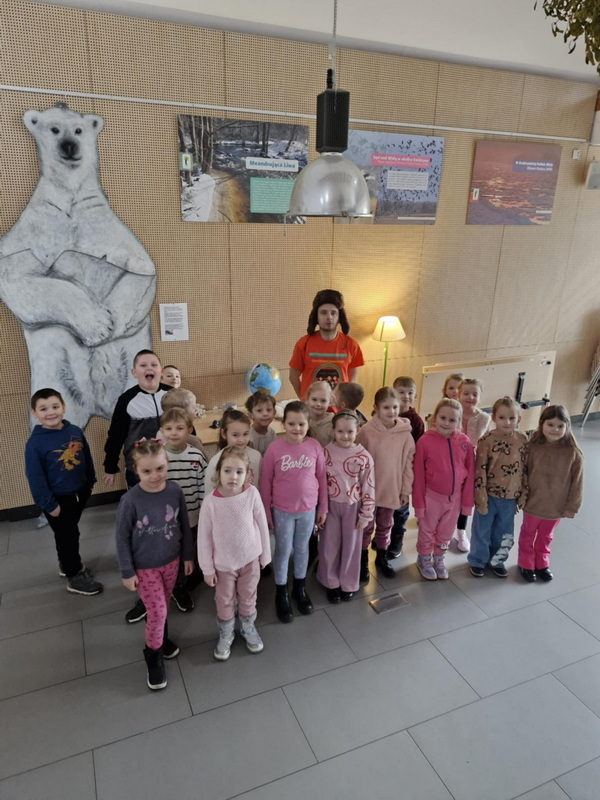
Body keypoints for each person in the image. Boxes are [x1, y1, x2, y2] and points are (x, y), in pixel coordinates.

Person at [114, 439, 194, 690]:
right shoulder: (130, 500)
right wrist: (127, 571)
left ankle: (161, 639)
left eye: (160, 468)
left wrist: (188, 556)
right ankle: (153, 657)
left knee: (163, 607)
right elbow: (121, 537)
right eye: (146, 471)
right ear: (136, 470)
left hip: (171, 562)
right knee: (157, 612)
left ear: (167, 464)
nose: (154, 476)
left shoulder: (175, 491)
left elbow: (184, 526)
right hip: (144, 567)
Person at [104, 349, 169, 624]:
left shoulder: (171, 395)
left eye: (153, 364)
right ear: (134, 372)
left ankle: (174, 581)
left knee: (169, 524)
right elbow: (115, 434)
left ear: (161, 370)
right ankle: (145, 592)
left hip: (168, 471)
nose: (148, 368)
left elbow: (187, 427)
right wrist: (110, 464)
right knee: (143, 527)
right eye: (143, 365)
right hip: (138, 474)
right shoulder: (127, 400)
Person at [25, 388, 103, 596]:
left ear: (64, 407)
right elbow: (35, 478)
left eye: (55, 406)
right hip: (57, 500)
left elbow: (86, 456)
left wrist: (90, 482)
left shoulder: (74, 430)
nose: (50, 412)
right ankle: (74, 575)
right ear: (34, 413)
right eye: (43, 409)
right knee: (68, 536)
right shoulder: (35, 443)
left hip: (79, 492)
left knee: (66, 533)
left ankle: (67, 564)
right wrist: (49, 505)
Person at [198, 447, 271, 661]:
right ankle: (227, 632)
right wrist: (207, 568)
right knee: (224, 599)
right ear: (219, 472)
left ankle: (248, 627)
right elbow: (204, 537)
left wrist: (265, 555)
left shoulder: (252, 494)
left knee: (248, 596)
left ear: (247, 474)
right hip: (223, 564)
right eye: (228, 471)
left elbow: (261, 524)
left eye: (239, 472)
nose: (233, 476)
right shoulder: (211, 502)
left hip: (250, 559)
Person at [260, 401, 328, 623]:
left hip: (308, 510)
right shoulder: (274, 449)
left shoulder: (315, 446)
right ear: (283, 424)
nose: (296, 428)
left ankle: (299, 588)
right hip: (282, 511)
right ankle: (281, 592)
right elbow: (265, 482)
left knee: (302, 549)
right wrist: (266, 513)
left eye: (301, 424)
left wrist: (323, 506)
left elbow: (322, 478)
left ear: (308, 424)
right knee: (282, 550)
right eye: (291, 424)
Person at [517, 405, 583, 583]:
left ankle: (542, 562)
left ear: (567, 426)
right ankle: (525, 562)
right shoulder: (531, 448)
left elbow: (577, 483)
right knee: (528, 533)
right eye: (551, 424)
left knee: (546, 537)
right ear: (541, 424)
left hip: (556, 506)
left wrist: (572, 506)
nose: (555, 430)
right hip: (533, 503)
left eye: (560, 426)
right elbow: (523, 474)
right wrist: (521, 496)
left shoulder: (573, 453)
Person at [356, 387, 415, 581]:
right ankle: (362, 559)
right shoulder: (367, 431)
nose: (391, 411)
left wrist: (405, 490)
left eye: (395, 407)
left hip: (392, 489)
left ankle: (381, 557)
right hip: (369, 490)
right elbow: (357, 459)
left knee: (385, 525)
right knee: (366, 526)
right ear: (376, 408)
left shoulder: (405, 434)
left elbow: (408, 464)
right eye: (386, 407)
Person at [413, 398, 475, 580]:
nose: (446, 423)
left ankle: (439, 558)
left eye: (452, 420)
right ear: (435, 417)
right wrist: (419, 504)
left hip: (454, 499)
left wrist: (466, 504)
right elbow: (418, 475)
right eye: (443, 418)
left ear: (459, 421)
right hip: (431, 497)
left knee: (445, 532)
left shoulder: (464, 442)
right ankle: (424, 558)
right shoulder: (424, 442)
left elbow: (470, 474)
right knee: (426, 530)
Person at [317, 411, 375, 602]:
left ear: (357, 430)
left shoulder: (364, 456)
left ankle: (348, 582)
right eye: (340, 431)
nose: (345, 436)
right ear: (333, 430)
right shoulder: (325, 452)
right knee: (329, 545)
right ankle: (330, 582)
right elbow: (319, 483)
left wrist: (366, 514)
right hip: (330, 507)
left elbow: (368, 486)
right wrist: (320, 509)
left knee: (351, 547)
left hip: (353, 508)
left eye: (350, 431)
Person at [468, 397, 528, 577]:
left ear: (519, 419)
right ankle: (478, 560)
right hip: (488, 496)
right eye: (502, 417)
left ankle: (498, 560)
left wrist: (523, 494)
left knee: (504, 533)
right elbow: (480, 470)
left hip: (510, 498)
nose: (507, 422)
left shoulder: (522, 440)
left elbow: (526, 469)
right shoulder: (486, 441)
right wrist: (480, 498)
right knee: (482, 531)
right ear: (494, 417)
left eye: (512, 418)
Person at [161, 407, 207, 609]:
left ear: (189, 430)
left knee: (190, 547)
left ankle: (183, 582)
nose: (174, 433)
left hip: (192, 515)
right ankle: (170, 582)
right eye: (168, 428)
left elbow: (203, 486)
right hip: (167, 519)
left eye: (179, 428)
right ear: (162, 431)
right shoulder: (159, 456)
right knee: (171, 550)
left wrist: (204, 511)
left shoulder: (196, 456)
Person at [289, 289, 364, 399]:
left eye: (333, 313)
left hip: (339, 407)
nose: (329, 317)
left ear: (339, 317)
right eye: (323, 313)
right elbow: (293, 376)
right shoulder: (303, 343)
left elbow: (351, 380)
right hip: (311, 408)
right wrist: (304, 399)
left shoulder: (351, 345)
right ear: (316, 316)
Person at [387, 376, 425, 558]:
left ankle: (397, 538)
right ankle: (383, 535)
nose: (406, 396)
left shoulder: (416, 421)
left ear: (415, 396)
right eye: (401, 392)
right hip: (387, 469)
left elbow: (419, 449)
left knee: (400, 508)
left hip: (404, 471)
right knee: (385, 506)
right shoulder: (387, 414)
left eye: (410, 393)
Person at [454, 378, 491, 552]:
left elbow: (487, 442)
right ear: (458, 395)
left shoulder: (484, 418)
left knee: (466, 497)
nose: (470, 397)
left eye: (475, 394)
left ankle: (461, 530)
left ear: (480, 397)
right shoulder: (452, 412)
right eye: (466, 393)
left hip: (473, 464)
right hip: (451, 462)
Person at [204, 409, 262, 488]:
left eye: (245, 434)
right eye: (235, 435)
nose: (241, 439)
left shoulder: (256, 457)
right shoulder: (215, 462)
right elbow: (209, 491)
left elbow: (260, 485)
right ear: (224, 434)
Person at [161, 387, 205, 455]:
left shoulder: (160, 433)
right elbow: (203, 459)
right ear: (183, 413)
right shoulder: (194, 441)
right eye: (193, 407)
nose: (196, 409)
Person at [245, 390, 277, 455]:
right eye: (259, 411)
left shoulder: (272, 433)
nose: (265, 414)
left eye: (269, 410)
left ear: (274, 413)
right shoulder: (247, 435)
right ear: (251, 415)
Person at [306, 381, 334, 447]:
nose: (318, 404)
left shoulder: (334, 422)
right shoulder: (302, 420)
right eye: (314, 399)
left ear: (330, 402)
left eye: (323, 401)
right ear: (308, 399)